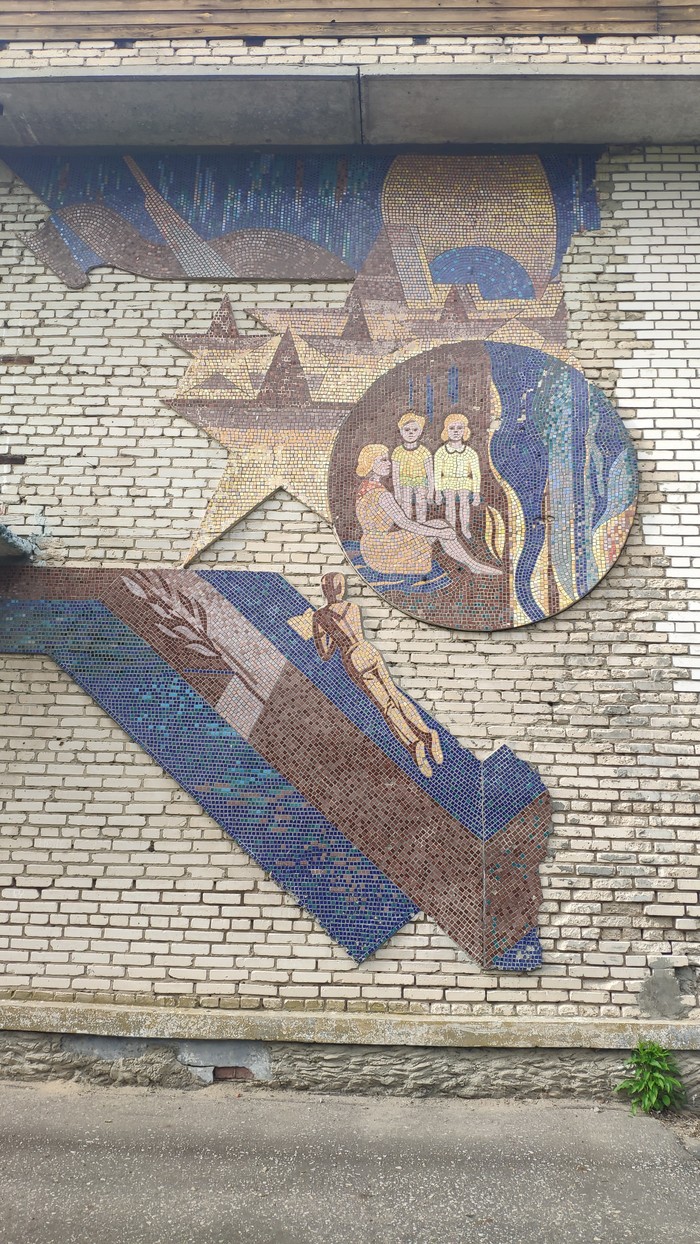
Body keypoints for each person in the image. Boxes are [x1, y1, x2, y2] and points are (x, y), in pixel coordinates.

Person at [312, 571, 443, 778]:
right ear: (341, 588)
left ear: (325, 589)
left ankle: (414, 744)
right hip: (368, 650)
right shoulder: (353, 607)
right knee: (396, 696)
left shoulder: (320, 616)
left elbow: (325, 654)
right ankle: (428, 733)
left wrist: (327, 635)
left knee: (387, 707)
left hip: (353, 658)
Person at [354, 443, 501, 577]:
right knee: (440, 527)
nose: (389, 463)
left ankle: (472, 564)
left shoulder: (365, 488)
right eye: (383, 460)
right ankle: (473, 565)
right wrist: (439, 533)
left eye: (388, 459)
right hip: (382, 552)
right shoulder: (382, 495)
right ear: (371, 464)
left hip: (370, 546)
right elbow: (405, 523)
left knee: (439, 524)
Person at [434, 413, 482, 540]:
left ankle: (465, 528)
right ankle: (451, 528)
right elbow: (437, 473)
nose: (455, 431)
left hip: (464, 482)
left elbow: (476, 474)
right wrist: (438, 492)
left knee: (464, 501)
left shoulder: (470, 453)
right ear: (446, 430)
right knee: (449, 502)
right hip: (447, 481)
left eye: (459, 428)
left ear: (465, 430)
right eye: (452, 428)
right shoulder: (441, 452)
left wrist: (476, 493)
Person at [391, 412, 434, 522]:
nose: (411, 433)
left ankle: (421, 524)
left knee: (421, 504)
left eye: (415, 430)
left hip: (421, 482)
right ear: (401, 431)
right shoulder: (397, 452)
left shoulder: (424, 451)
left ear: (420, 432)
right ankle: (408, 527)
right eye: (407, 430)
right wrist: (397, 493)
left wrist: (431, 491)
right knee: (406, 505)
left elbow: (430, 474)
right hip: (404, 483)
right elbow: (395, 474)